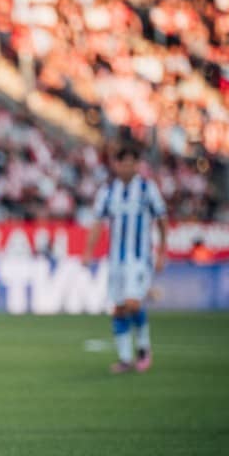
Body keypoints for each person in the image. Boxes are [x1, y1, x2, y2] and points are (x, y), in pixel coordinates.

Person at [82, 144, 168, 373]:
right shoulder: (108, 191)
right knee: (119, 309)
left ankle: (143, 349)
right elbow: (98, 223)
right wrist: (88, 251)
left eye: (132, 163)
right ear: (116, 165)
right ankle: (125, 359)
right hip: (116, 260)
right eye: (124, 163)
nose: (128, 167)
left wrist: (162, 252)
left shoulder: (147, 189)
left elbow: (161, 220)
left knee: (132, 303)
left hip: (140, 259)